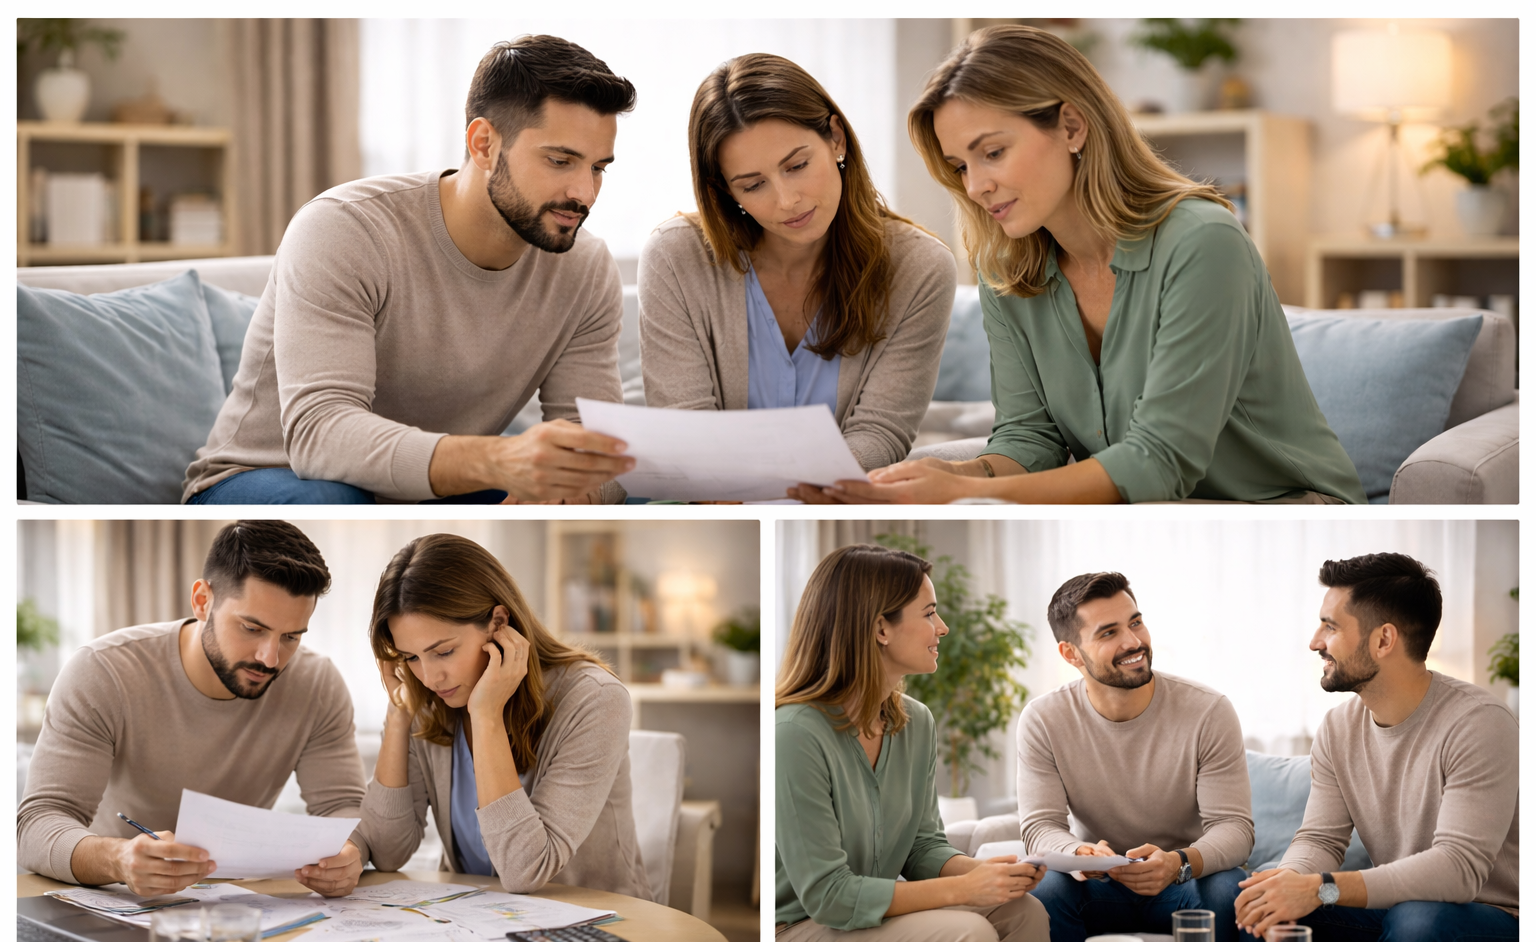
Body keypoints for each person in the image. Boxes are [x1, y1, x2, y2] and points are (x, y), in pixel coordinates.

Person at [823, 25, 1365, 505]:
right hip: (1152, 513)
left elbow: (1160, 460)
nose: (975, 185)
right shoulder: (1006, 274)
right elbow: (1028, 440)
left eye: (992, 152)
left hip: (1284, 506)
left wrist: (971, 489)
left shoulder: (1204, 244)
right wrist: (954, 472)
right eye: (960, 165)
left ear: (1072, 127)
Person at [184, 36, 639, 505]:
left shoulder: (585, 269)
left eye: (599, 168)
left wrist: (572, 493)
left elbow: (598, 447)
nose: (584, 193)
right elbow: (320, 434)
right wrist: (497, 462)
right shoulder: (345, 228)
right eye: (560, 161)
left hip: (436, 484)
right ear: (484, 144)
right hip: (269, 475)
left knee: (647, 499)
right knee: (333, 499)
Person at [639, 53, 956, 498]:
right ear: (724, 191)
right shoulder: (675, 257)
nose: (787, 200)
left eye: (797, 165)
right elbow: (688, 431)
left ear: (837, 139)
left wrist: (800, 491)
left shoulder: (921, 267)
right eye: (753, 185)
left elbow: (880, 434)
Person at [17, 520, 367, 898]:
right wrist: (117, 859)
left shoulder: (318, 684)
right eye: (251, 628)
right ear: (202, 601)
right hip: (114, 896)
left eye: (291, 637)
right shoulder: (102, 671)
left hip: (240, 904)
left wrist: (351, 854)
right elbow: (37, 823)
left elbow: (343, 810)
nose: (270, 658)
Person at [776, 544, 1050, 942]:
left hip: (862, 919)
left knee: (1022, 911)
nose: (942, 628)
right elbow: (829, 896)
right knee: (965, 936)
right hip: (796, 931)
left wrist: (986, 874)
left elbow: (922, 846)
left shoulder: (915, 722)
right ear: (881, 627)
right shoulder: (794, 734)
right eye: (929, 613)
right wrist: (962, 889)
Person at [1235, 554, 1518, 942]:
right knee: (1269, 916)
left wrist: (1321, 887)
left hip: (1491, 918)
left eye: (1330, 626)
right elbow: (1320, 839)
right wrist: (1285, 882)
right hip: (1399, 909)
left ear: (1384, 640)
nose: (1315, 641)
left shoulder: (1479, 723)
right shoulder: (1338, 727)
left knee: (1419, 922)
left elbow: (1458, 868)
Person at [354, 533, 650, 899]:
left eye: (443, 652)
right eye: (411, 657)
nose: (429, 678)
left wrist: (487, 716)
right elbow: (386, 852)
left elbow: (525, 870)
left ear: (498, 622)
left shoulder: (594, 699)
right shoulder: (430, 701)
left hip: (593, 924)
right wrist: (398, 715)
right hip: (475, 924)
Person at [1019, 572, 1253, 942]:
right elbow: (1040, 826)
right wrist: (1080, 854)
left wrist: (1178, 862)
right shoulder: (1043, 719)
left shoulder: (1208, 711)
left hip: (1183, 881)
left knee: (1227, 888)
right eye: (1108, 633)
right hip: (1099, 886)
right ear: (1071, 653)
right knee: (1047, 887)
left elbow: (1234, 829)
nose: (1134, 642)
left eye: (1136, 622)